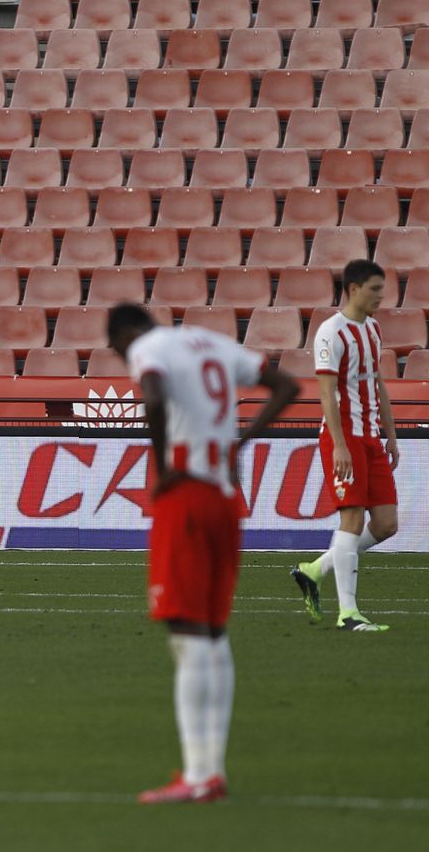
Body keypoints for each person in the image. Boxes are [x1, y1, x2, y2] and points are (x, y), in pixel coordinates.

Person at [108, 303, 298, 805]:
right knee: (213, 632)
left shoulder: (148, 347)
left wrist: (162, 465)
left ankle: (196, 775)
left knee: (186, 632)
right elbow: (287, 387)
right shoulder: (211, 341)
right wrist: (242, 443)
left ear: (124, 337)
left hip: (186, 493)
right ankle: (211, 771)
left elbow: (153, 396)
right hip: (224, 496)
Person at [291, 259, 399, 632]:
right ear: (354, 289)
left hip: (370, 436)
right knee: (351, 519)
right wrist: (339, 445)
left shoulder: (372, 329)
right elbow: (325, 393)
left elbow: (377, 383)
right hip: (344, 437)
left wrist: (391, 433)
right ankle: (348, 614)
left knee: (386, 524)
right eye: (375, 289)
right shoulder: (331, 332)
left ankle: (313, 570)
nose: (381, 296)